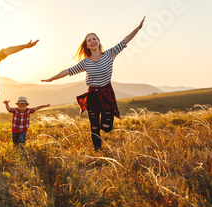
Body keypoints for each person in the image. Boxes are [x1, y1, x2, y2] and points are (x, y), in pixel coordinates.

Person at [42, 17, 145, 151]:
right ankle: (98, 150)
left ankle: (103, 132)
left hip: (106, 93)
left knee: (107, 128)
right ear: (87, 45)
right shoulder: (86, 62)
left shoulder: (109, 54)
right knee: (94, 126)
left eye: (94, 38)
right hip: (92, 96)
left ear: (98, 41)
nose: (92, 41)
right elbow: (68, 71)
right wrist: (51, 78)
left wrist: (138, 28)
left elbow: (125, 40)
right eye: (89, 40)